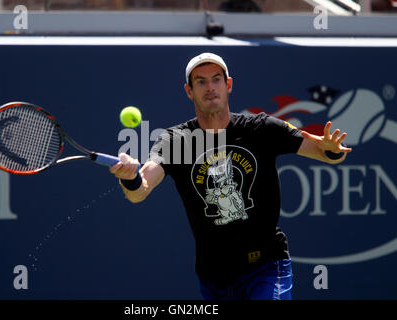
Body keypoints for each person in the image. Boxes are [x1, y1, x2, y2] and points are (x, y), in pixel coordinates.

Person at [109, 52, 352, 300]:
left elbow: (325, 153)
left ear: (228, 85)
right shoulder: (176, 141)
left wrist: (331, 150)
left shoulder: (261, 129)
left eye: (216, 79)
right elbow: (140, 190)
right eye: (201, 81)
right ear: (189, 91)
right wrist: (130, 177)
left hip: (266, 267)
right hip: (213, 277)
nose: (210, 87)